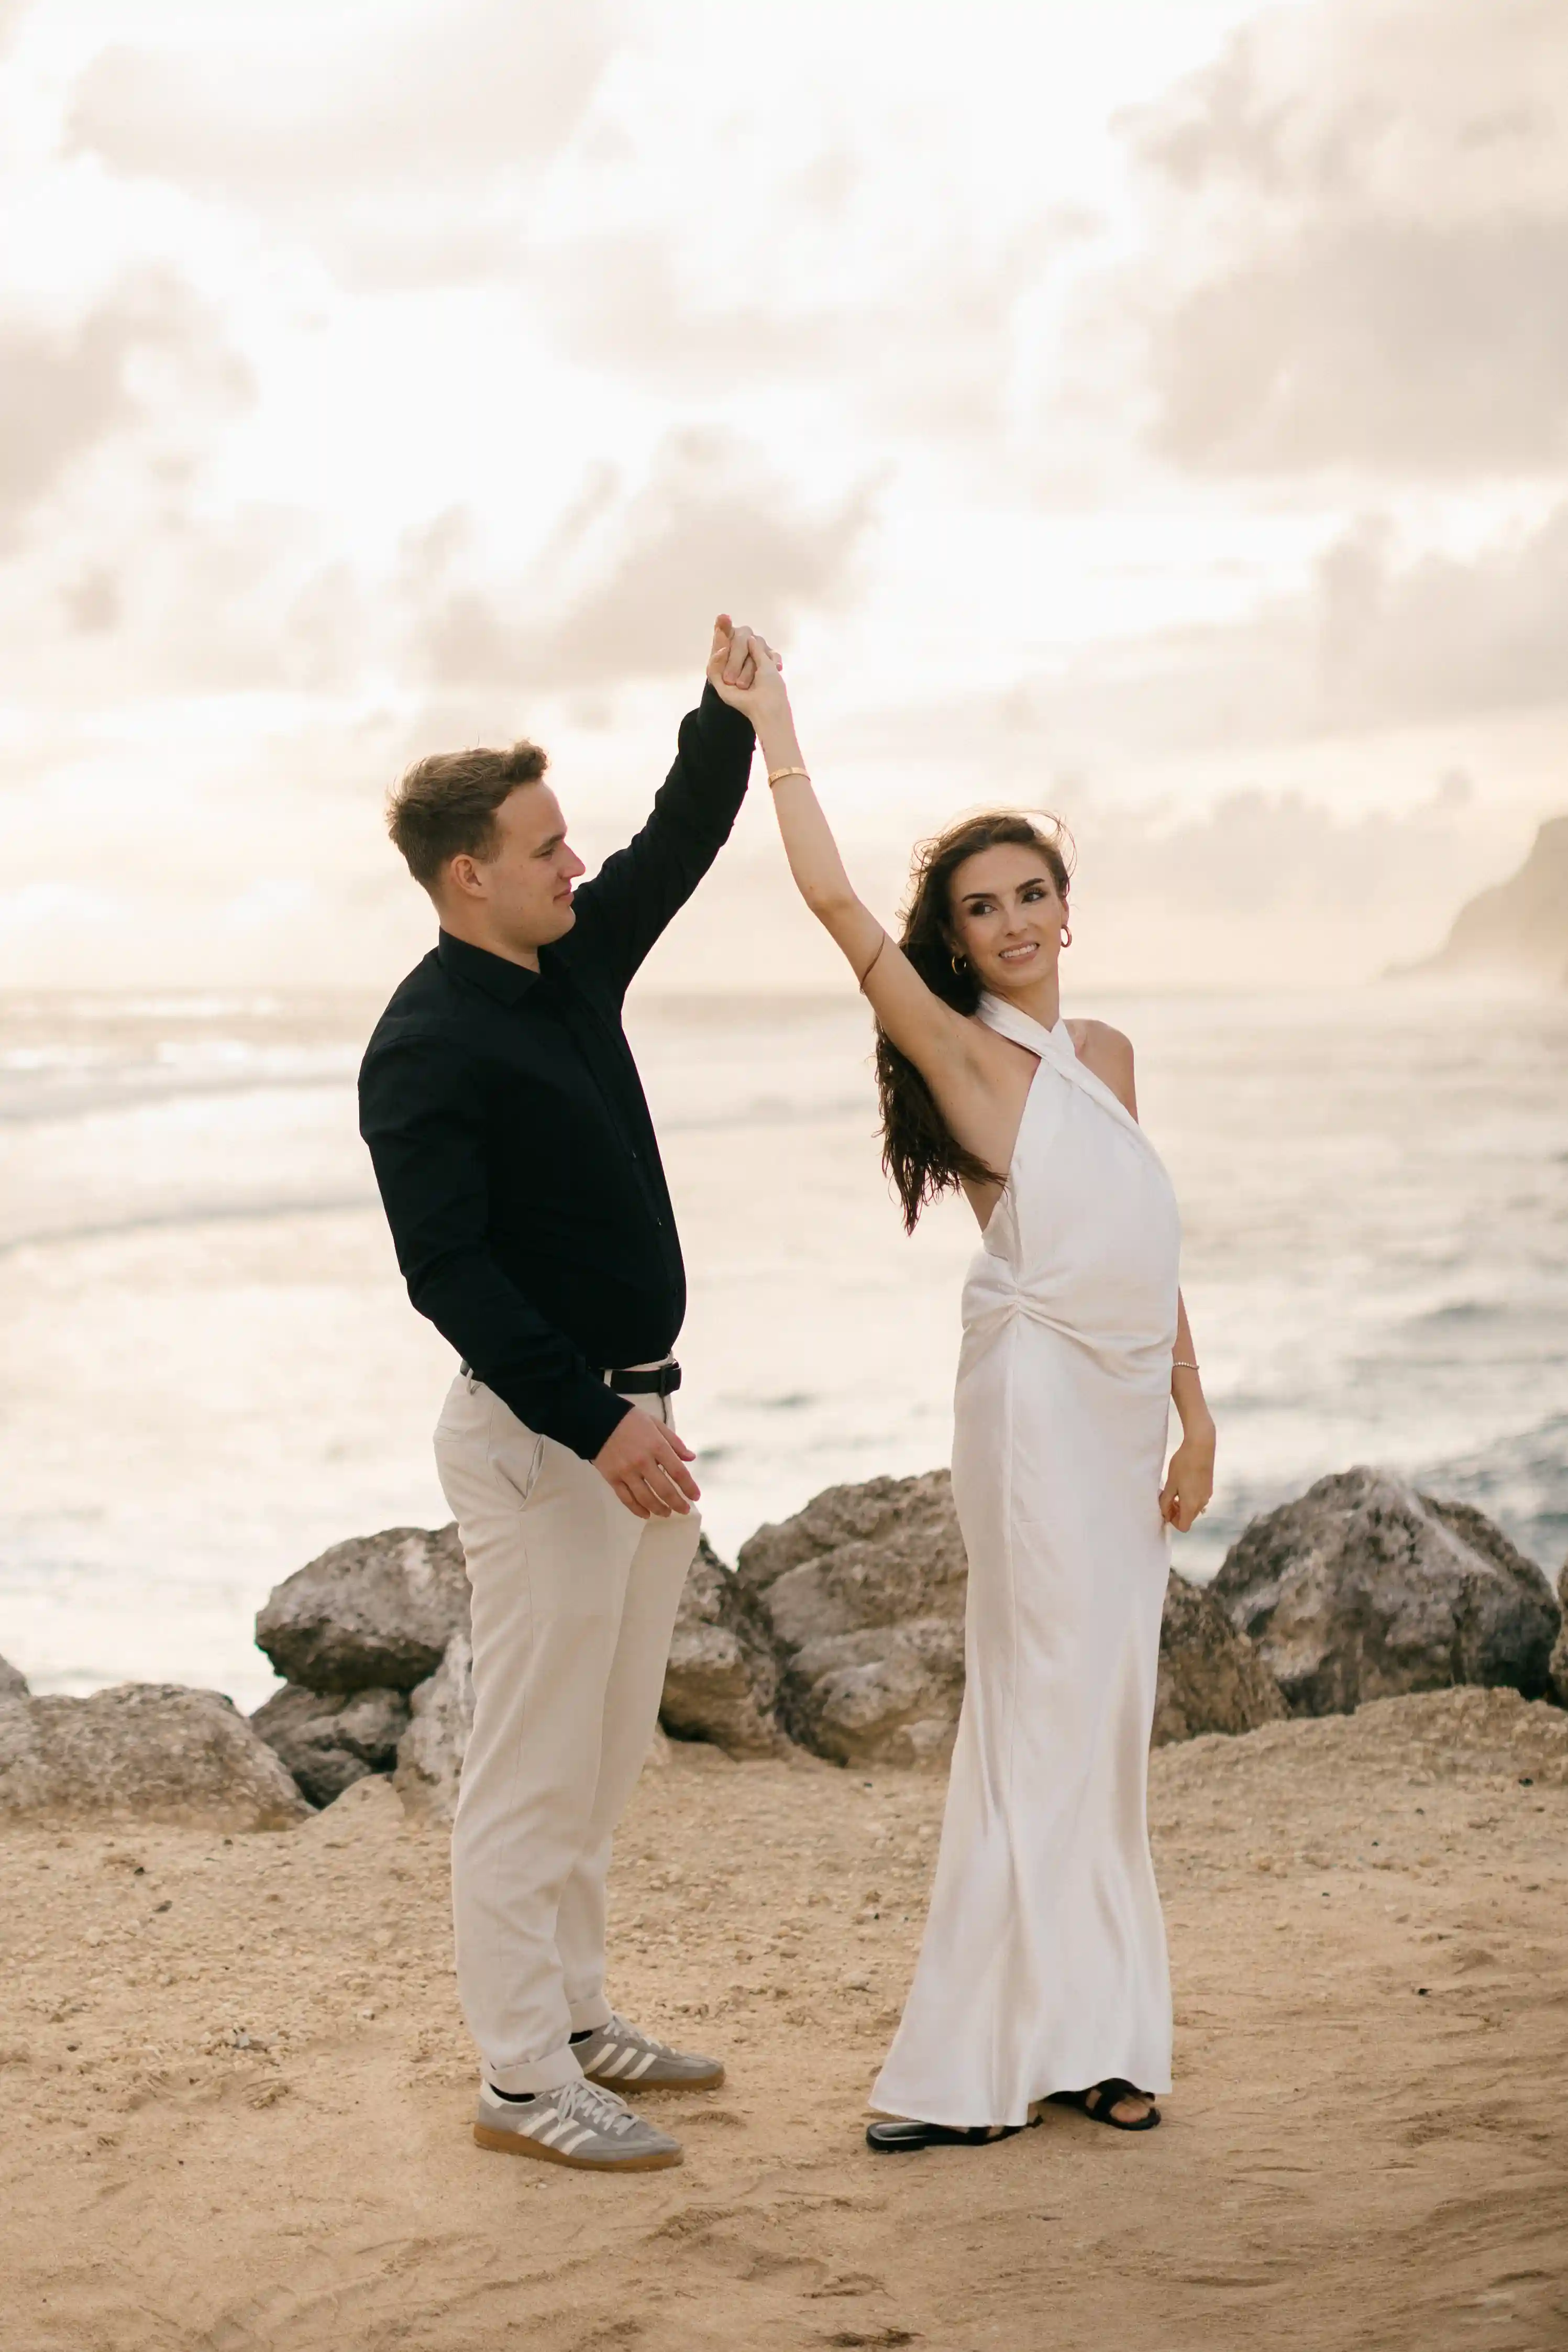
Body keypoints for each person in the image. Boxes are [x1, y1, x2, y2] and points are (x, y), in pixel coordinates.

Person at [710, 625, 1216, 2151]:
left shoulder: (1111, 1055)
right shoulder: (958, 1053)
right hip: (1037, 1413)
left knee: (1103, 1716)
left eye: (1030, 894)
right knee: (1039, 1706)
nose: (1011, 922)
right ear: (955, 936)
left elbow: (1145, 1246)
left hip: (1123, 1417)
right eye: (980, 907)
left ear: (1067, 905)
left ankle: (1101, 2038)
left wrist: (1197, 1414)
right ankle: (979, 2064)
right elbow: (832, 904)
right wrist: (774, 728)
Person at [358, 619, 760, 2174]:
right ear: (471, 874)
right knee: (530, 1769)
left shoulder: (574, 960)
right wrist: (596, 1431)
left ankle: (579, 2020)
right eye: (545, 846)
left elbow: (679, 839)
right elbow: (449, 1275)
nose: (574, 862)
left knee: (602, 1752)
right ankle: (522, 2081)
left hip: (636, 1425)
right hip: (546, 1446)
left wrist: (725, 712)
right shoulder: (424, 1045)